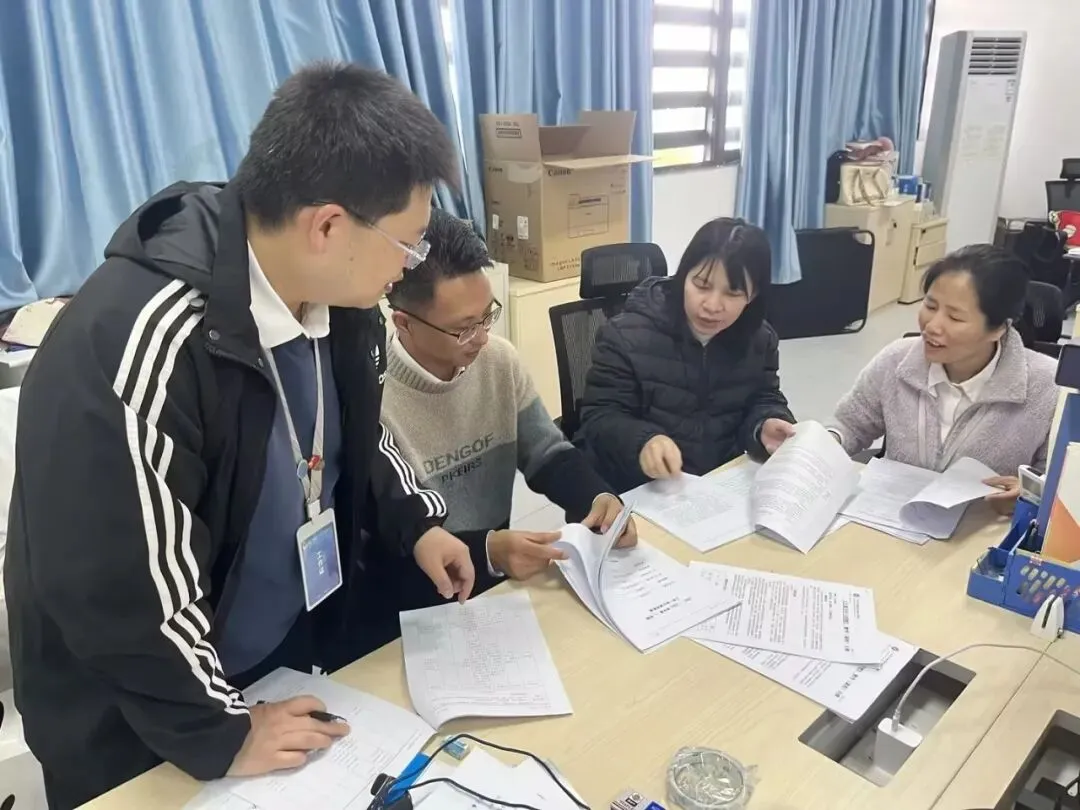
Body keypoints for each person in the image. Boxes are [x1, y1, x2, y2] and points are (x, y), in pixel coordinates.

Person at [4, 63, 477, 809]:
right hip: (146, 716)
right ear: (328, 226)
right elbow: (117, 589)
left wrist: (417, 521)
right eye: (408, 244)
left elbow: (356, 435)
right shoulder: (139, 338)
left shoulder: (342, 301)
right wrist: (219, 730)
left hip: (272, 664)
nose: (410, 265)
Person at [372, 209, 636, 631]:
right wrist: (487, 552)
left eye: (487, 315)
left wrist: (596, 497)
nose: (481, 338)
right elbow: (384, 552)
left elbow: (548, 454)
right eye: (463, 328)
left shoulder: (498, 360)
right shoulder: (373, 397)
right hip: (414, 611)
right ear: (404, 324)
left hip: (495, 595)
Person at [828, 244, 1058, 512]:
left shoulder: (1048, 386)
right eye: (930, 305)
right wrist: (821, 443)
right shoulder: (896, 360)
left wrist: (1032, 491)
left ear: (998, 328)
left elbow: (1061, 477)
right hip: (891, 516)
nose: (932, 326)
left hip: (983, 526)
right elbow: (850, 425)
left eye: (955, 317)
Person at [575, 218, 796, 494]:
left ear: (752, 296)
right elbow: (600, 417)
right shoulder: (625, 335)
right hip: (641, 489)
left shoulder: (759, 340)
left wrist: (765, 423)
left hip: (716, 486)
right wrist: (644, 442)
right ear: (683, 277)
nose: (712, 305)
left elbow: (763, 397)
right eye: (701, 285)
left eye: (732, 293)